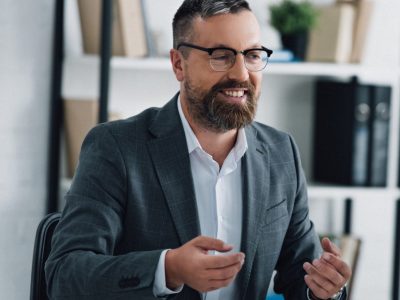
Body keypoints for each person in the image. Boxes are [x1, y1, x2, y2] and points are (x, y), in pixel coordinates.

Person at [45, 0, 351, 299]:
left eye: (253, 55)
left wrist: (324, 289)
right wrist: (168, 269)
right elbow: (65, 276)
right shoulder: (116, 148)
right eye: (221, 56)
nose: (242, 74)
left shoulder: (281, 153)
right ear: (179, 64)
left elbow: (303, 274)